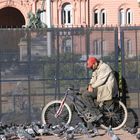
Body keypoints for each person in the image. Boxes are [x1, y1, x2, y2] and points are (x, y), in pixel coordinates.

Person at [82, 56, 118, 122]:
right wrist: (90, 85)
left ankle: (96, 114)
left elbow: (101, 81)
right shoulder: (95, 69)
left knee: (85, 95)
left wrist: (92, 86)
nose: (90, 68)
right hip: (101, 87)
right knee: (82, 91)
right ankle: (89, 110)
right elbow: (93, 79)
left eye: (91, 66)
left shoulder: (104, 67)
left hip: (106, 88)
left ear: (95, 63)